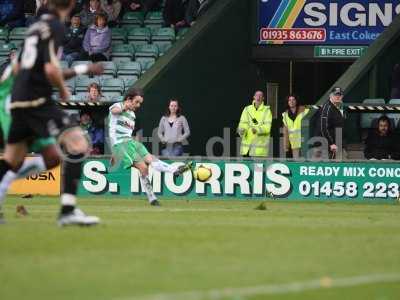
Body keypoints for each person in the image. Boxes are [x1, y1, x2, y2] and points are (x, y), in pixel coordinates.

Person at [0, 0, 105, 226]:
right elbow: (50, 70)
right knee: (78, 145)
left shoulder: (35, 27)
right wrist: (65, 91)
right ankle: (67, 210)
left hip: (17, 100)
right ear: (70, 5)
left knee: (16, 160)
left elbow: (20, 67)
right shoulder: (57, 26)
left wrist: (83, 69)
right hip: (37, 100)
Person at [109, 88, 193, 206]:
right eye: (136, 102)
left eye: (140, 103)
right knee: (143, 168)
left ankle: (175, 171)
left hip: (130, 142)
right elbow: (114, 111)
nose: (138, 105)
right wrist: (115, 151)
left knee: (151, 159)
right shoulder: (117, 106)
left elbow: (127, 134)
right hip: (121, 145)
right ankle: (152, 198)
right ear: (129, 99)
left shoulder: (132, 115)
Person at [237, 90, 272, 157]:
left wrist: (257, 130)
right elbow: (242, 123)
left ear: (263, 98)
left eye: (260, 95)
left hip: (259, 150)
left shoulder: (267, 111)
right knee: (246, 167)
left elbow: (267, 128)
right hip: (246, 149)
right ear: (254, 97)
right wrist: (241, 130)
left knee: (257, 168)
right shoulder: (247, 109)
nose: (258, 97)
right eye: (256, 95)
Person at [313, 87, 345, 159]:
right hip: (324, 146)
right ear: (330, 95)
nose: (337, 96)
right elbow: (323, 128)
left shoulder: (338, 107)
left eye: (339, 95)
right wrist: (331, 143)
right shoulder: (327, 107)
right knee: (322, 168)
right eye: (335, 95)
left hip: (334, 146)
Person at [282, 94, 309, 159]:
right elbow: (285, 132)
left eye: (293, 99)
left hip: (305, 143)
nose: (291, 101)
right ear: (287, 102)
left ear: (296, 101)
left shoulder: (304, 111)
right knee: (297, 163)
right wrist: (286, 145)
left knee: (305, 164)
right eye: (289, 100)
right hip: (294, 144)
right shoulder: (285, 115)